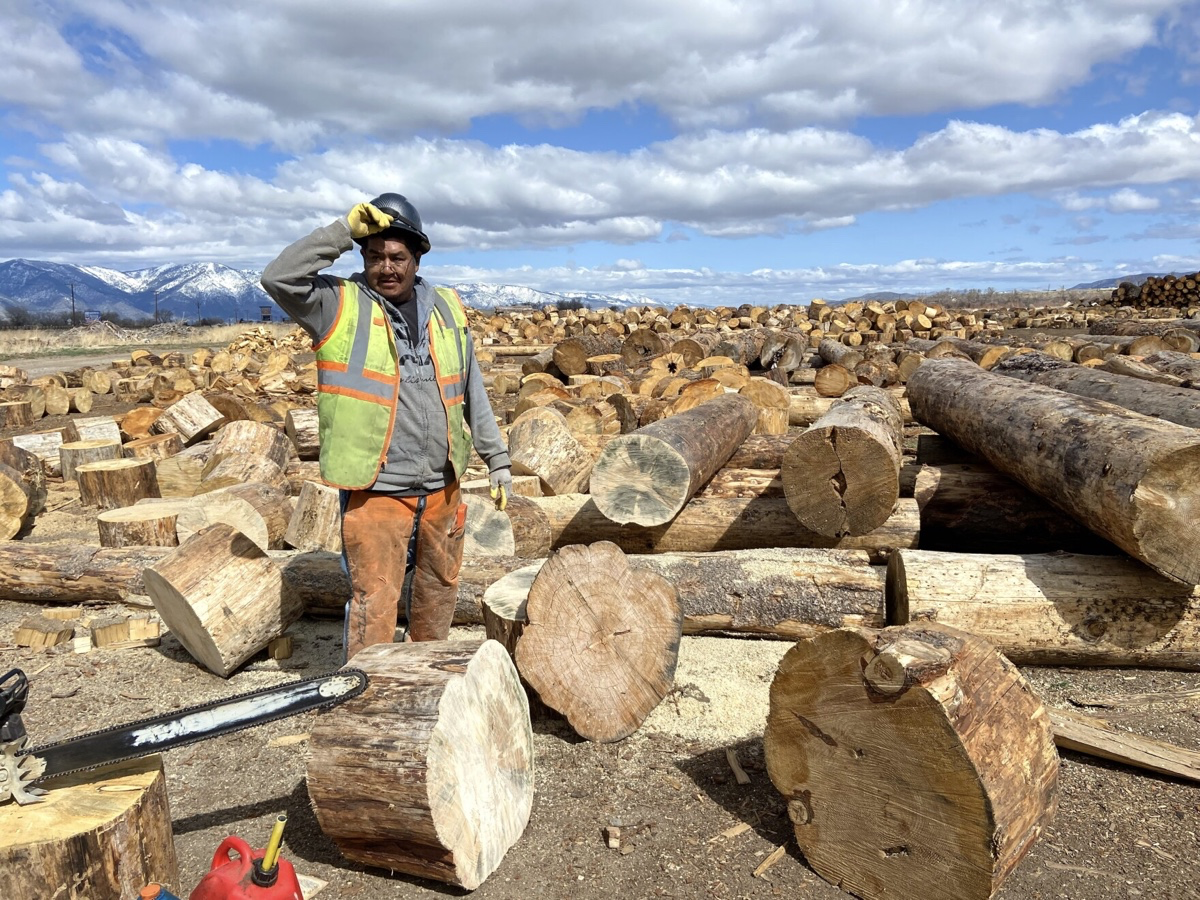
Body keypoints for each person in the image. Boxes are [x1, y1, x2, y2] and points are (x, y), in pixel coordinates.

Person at [261, 193, 512, 659]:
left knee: (439, 588)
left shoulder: (447, 309)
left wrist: (497, 459)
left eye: (398, 257)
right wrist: (343, 230)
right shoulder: (337, 305)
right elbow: (277, 277)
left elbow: (470, 387)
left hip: (443, 482)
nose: (387, 267)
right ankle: (366, 690)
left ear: (417, 259)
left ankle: (425, 673)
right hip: (376, 485)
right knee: (375, 600)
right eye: (375, 256)